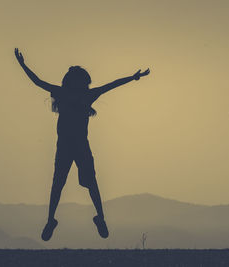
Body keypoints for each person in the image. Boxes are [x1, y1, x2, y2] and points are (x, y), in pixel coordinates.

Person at [14, 48, 150, 241]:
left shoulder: (81, 95)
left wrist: (133, 77)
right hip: (68, 148)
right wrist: (22, 65)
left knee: (86, 183)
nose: (85, 84)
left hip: (78, 147)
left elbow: (112, 85)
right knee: (59, 184)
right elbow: (37, 82)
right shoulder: (68, 93)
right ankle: (52, 220)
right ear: (75, 81)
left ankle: (100, 218)